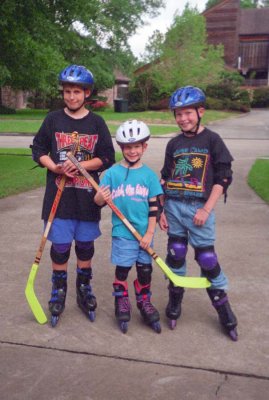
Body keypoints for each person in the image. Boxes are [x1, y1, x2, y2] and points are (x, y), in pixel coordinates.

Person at [31, 64, 115, 327]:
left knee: (85, 247)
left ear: (87, 93)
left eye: (77, 92)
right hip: (59, 199)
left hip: (87, 199)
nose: (71, 97)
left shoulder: (97, 123)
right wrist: (54, 166)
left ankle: (84, 287)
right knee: (60, 248)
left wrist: (79, 166)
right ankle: (58, 290)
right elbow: (39, 149)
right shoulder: (53, 119)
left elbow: (107, 157)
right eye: (67, 91)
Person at [159, 86, 238, 341]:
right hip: (173, 206)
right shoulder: (174, 143)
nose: (183, 118)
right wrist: (159, 208)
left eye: (188, 113)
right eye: (178, 114)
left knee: (206, 258)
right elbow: (165, 177)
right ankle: (174, 302)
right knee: (176, 254)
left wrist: (207, 208)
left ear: (200, 111)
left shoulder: (212, 140)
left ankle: (223, 308)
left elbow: (224, 177)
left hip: (199, 209)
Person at [94, 120, 163, 334]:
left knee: (145, 270)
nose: (132, 151)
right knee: (123, 269)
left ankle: (144, 301)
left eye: (137, 146)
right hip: (123, 233)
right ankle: (121, 301)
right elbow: (99, 202)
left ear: (144, 147)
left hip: (145, 233)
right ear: (121, 148)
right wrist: (99, 196)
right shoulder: (113, 174)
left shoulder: (149, 176)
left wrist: (150, 233)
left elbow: (154, 208)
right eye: (128, 147)